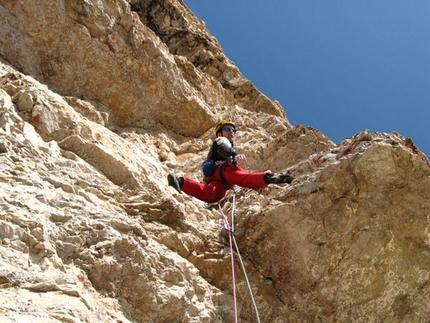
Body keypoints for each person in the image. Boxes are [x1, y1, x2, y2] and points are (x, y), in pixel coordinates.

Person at [168, 120, 294, 203]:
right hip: (224, 171)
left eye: (234, 130)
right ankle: (269, 178)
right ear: (219, 133)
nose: (232, 132)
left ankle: (180, 182)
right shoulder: (221, 140)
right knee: (245, 178)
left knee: (211, 195)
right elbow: (223, 149)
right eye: (228, 129)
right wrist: (236, 155)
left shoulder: (224, 143)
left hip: (217, 180)